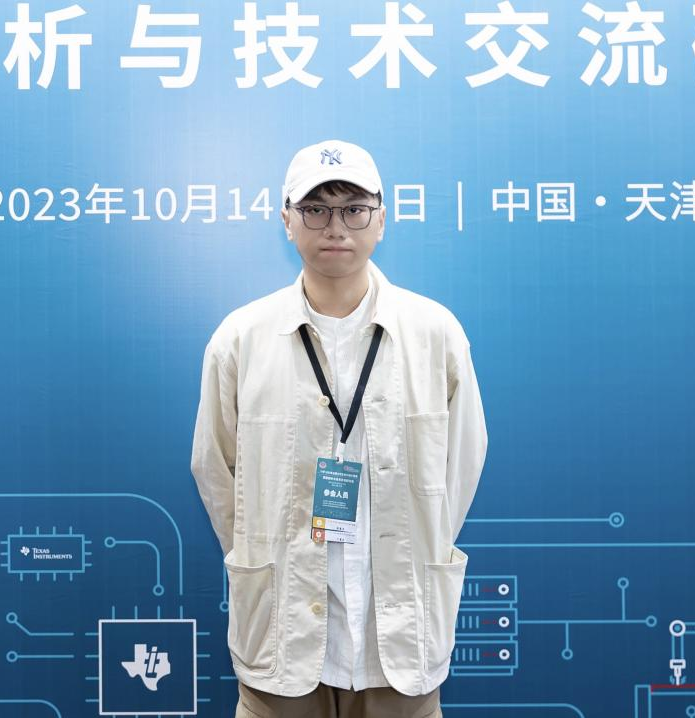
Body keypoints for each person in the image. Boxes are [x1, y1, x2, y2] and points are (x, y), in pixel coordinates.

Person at [190, 139, 488, 718]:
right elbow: (214, 467)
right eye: (315, 209)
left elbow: (464, 463)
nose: (335, 227)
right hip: (282, 636)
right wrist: (262, 551)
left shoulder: (435, 333)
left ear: (382, 218)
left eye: (354, 209)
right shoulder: (242, 338)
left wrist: (420, 542)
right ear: (286, 220)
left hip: (399, 637)